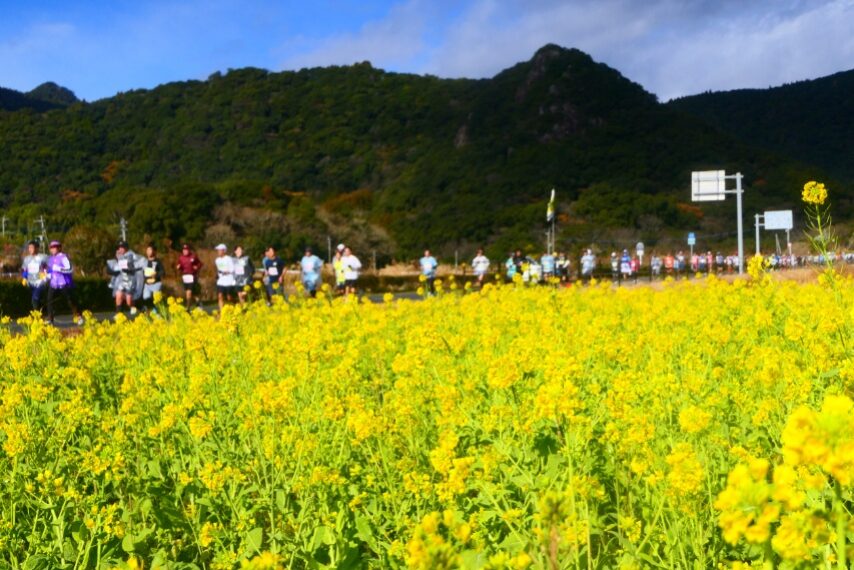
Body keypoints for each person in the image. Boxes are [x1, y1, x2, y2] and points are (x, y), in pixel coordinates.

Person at [46, 241, 83, 325]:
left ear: (59, 248)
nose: (52, 249)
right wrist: (47, 275)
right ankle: (50, 318)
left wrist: (58, 268)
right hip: (53, 283)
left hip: (64, 282)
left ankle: (78, 316)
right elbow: (50, 271)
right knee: (50, 300)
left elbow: (70, 269)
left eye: (54, 247)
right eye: (51, 247)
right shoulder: (51, 259)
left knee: (70, 299)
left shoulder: (63, 257)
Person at [107, 241, 144, 316]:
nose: (120, 249)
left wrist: (120, 261)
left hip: (130, 281)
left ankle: (140, 309)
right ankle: (119, 314)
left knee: (129, 301)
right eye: (119, 248)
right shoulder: (117, 258)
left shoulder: (132, 256)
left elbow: (129, 267)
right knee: (118, 294)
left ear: (126, 248)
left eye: (122, 247)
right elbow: (111, 269)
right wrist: (117, 260)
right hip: (120, 282)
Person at [21, 240, 49, 313]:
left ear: (37, 248)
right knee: (37, 300)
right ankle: (42, 315)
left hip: (40, 282)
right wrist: (24, 278)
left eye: (32, 247)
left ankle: (38, 317)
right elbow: (24, 269)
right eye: (29, 248)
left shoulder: (43, 257)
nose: (30, 249)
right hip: (30, 282)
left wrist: (45, 275)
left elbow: (48, 268)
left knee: (35, 299)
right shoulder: (26, 259)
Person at [176, 244, 203, 308]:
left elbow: (200, 263)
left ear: (189, 250)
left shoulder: (193, 257)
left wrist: (197, 267)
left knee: (189, 292)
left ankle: (187, 308)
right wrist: (178, 267)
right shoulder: (181, 258)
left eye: (186, 250)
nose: (185, 251)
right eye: (184, 250)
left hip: (192, 276)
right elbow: (179, 265)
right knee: (191, 293)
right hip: (185, 276)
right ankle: (198, 302)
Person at [142, 244, 165, 314]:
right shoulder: (144, 262)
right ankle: (150, 311)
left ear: (154, 251)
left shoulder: (158, 261)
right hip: (147, 284)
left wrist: (156, 274)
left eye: (150, 250)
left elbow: (163, 272)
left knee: (157, 299)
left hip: (156, 283)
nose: (148, 252)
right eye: (147, 250)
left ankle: (158, 312)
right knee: (146, 298)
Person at [214, 244, 237, 310]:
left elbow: (233, 269)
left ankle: (236, 305)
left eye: (219, 250)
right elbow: (218, 270)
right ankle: (222, 312)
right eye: (217, 250)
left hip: (229, 281)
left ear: (224, 251)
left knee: (229, 297)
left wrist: (226, 272)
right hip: (221, 281)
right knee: (220, 296)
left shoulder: (229, 259)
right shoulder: (217, 260)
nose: (218, 251)